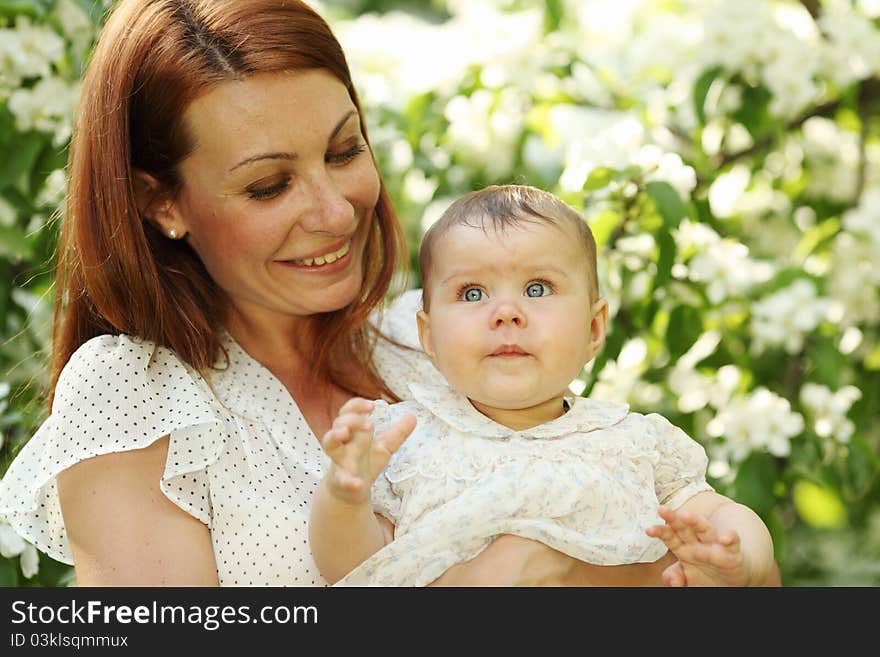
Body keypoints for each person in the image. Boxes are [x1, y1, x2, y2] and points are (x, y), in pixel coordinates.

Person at [0, 0, 728, 587]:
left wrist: (566, 568)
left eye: (344, 150)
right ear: (162, 203)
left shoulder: (441, 343)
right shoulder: (135, 396)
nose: (335, 210)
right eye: (268, 184)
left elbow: (681, 547)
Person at [310, 184, 779, 587]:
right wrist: (345, 497)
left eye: (537, 288)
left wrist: (736, 560)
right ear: (428, 337)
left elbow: (721, 514)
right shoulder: (406, 439)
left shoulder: (636, 442)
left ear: (594, 329)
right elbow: (358, 571)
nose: (507, 311)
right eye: (472, 293)